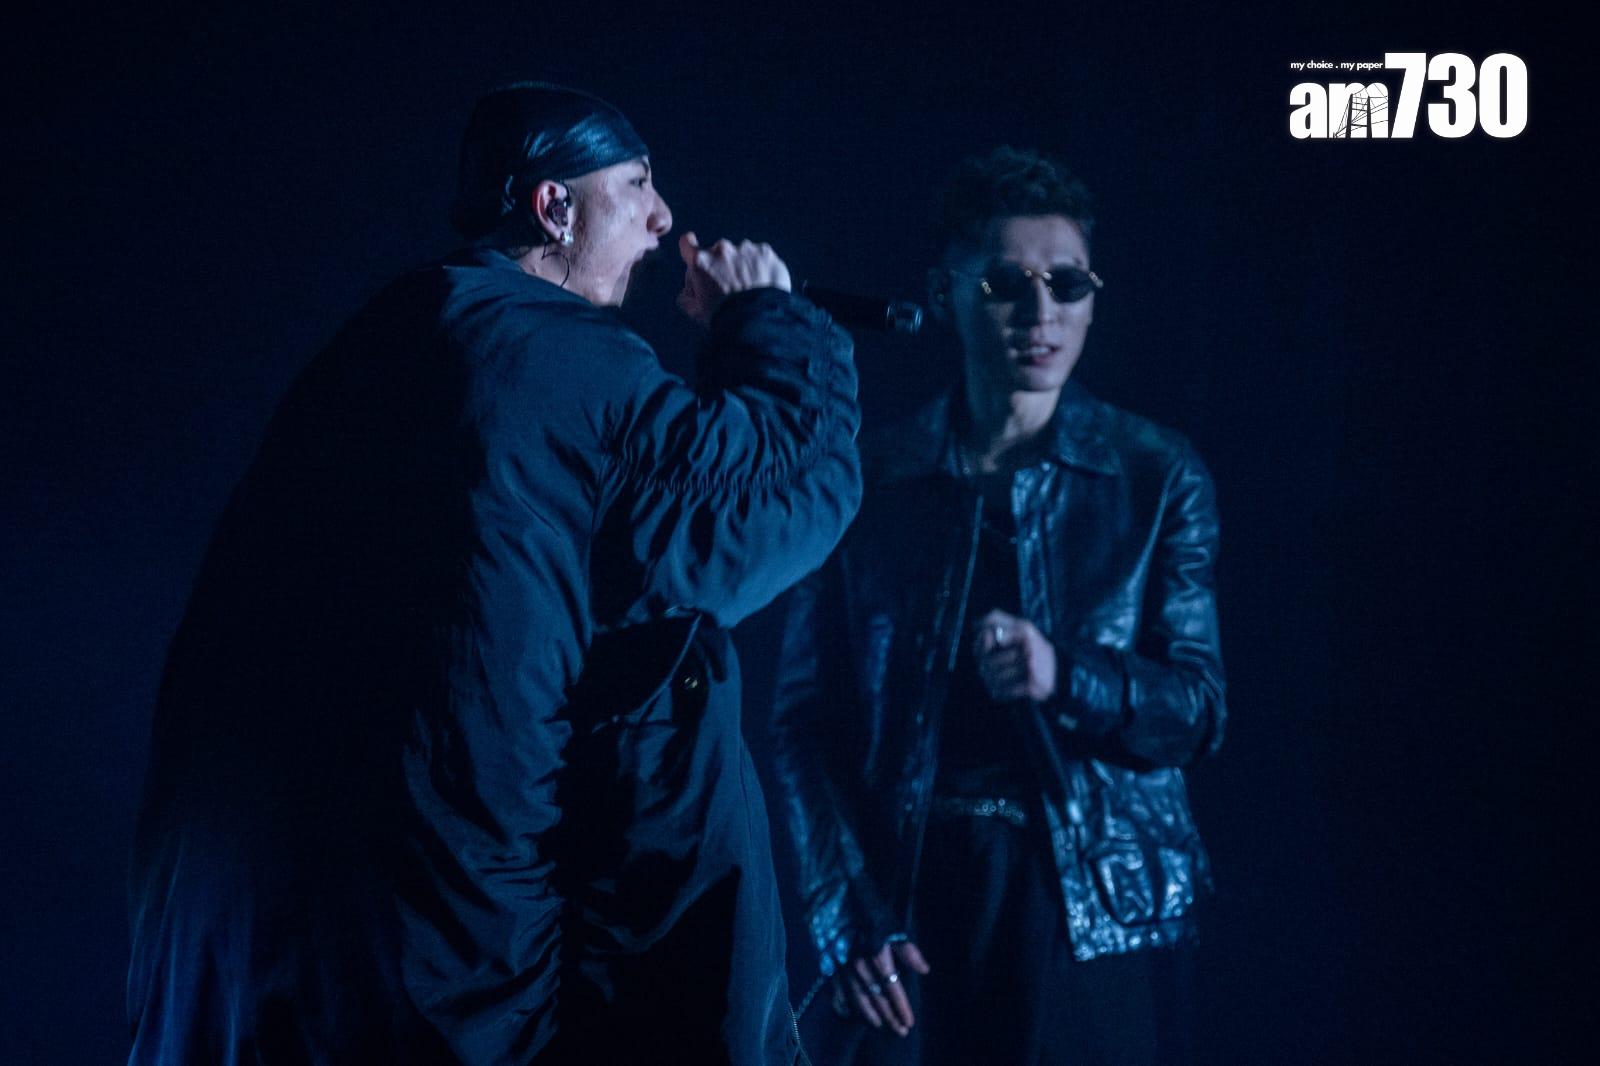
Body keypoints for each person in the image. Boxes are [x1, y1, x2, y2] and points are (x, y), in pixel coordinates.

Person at [127, 82, 860, 1064]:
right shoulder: (554, 364)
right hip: (439, 984)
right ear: (554, 207)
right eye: (636, 184)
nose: (663, 218)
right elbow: (781, 496)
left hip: (244, 974)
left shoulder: (389, 342)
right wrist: (765, 318)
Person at [770, 146, 1225, 1065]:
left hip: (1088, 909)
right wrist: (843, 911)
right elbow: (801, 726)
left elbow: (1196, 710)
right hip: (911, 897)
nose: (1040, 312)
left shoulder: (1153, 473)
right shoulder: (870, 481)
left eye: (1067, 283)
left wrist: (1066, 675)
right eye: (1006, 284)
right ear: (945, 294)